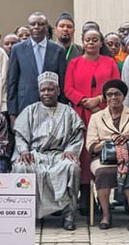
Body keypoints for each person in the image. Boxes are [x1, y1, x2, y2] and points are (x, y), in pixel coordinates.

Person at [12, 72, 84, 230]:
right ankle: (25, 213)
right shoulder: (30, 110)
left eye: (50, 90)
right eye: (43, 90)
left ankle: (69, 216)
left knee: (72, 167)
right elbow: (20, 135)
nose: (46, 93)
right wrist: (24, 151)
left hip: (60, 154)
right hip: (35, 154)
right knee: (21, 167)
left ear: (58, 91)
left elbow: (77, 134)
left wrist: (71, 150)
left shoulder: (68, 112)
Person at [85, 79, 129, 231]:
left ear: (123, 96)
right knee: (103, 173)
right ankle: (106, 215)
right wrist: (110, 142)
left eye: (117, 94)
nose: (113, 98)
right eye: (109, 94)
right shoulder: (97, 117)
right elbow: (90, 145)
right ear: (105, 97)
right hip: (103, 158)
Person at [65, 28, 120, 191]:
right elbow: (68, 88)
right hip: (80, 114)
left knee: (102, 148)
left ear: (101, 43)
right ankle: (84, 194)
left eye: (95, 40)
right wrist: (84, 101)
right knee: (82, 151)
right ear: (83, 42)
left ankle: (103, 191)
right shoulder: (74, 63)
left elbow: (115, 84)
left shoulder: (109, 62)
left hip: (104, 113)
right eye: (88, 39)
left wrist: (98, 100)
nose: (91, 42)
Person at [6, 12, 67, 122]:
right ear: (28, 27)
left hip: (52, 107)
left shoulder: (58, 50)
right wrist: (12, 112)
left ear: (47, 27)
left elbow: (62, 82)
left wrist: (61, 107)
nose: (36, 27)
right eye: (33, 24)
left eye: (40, 24)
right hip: (25, 105)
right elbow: (12, 82)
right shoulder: (18, 49)